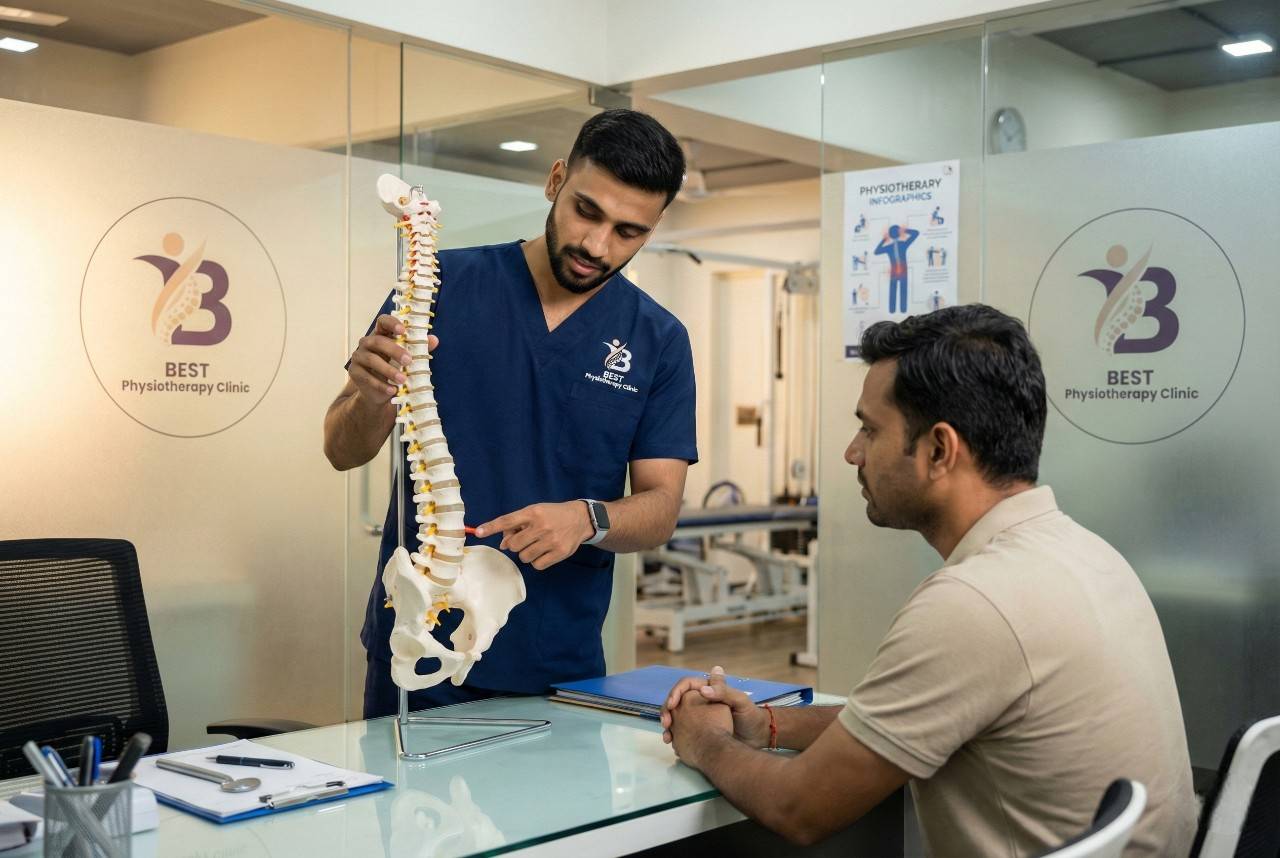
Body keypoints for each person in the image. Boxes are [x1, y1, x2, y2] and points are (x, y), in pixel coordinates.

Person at [660, 305, 1195, 856]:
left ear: (939, 450)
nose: (852, 452)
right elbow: (906, 719)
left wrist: (705, 740)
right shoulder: (1087, 554)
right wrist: (768, 724)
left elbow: (799, 808)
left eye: (870, 429)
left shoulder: (974, 605)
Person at [324, 109, 698, 718]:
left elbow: (661, 508)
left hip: (558, 667)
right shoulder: (439, 287)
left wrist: (588, 519)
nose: (597, 246)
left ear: (652, 230)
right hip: (418, 647)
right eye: (586, 211)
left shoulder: (658, 339)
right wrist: (369, 399)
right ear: (555, 180)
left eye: (628, 232)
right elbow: (342, 449)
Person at [874, 223, 919, 314]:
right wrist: (884, 240)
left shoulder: (903, 244)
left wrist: (903, 230)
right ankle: (892, 310)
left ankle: (903, 310)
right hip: (894, 271)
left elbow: (916, 233)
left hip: (903, 271)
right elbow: (876, 251)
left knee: (903, 289)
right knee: (893, 290)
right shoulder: (890, 247)